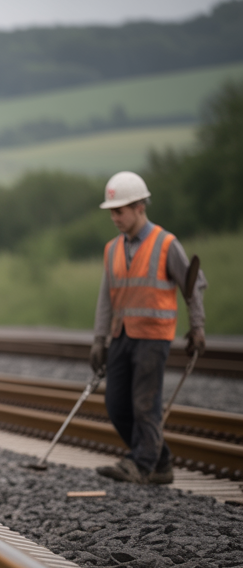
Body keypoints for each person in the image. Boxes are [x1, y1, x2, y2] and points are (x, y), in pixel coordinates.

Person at [90, 171, 207, 485]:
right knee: (116, 405)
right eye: (112, 211)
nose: (114, 217)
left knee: (145, 405)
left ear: (140, 206)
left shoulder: (166, 244)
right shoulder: (112, 249)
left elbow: (193, 285)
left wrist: (197, 327)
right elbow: (106, 298)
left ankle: (141, 464)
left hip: (153, 337)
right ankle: (161, 461)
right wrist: (99, 339)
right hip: (121, 335)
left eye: (120, 211)